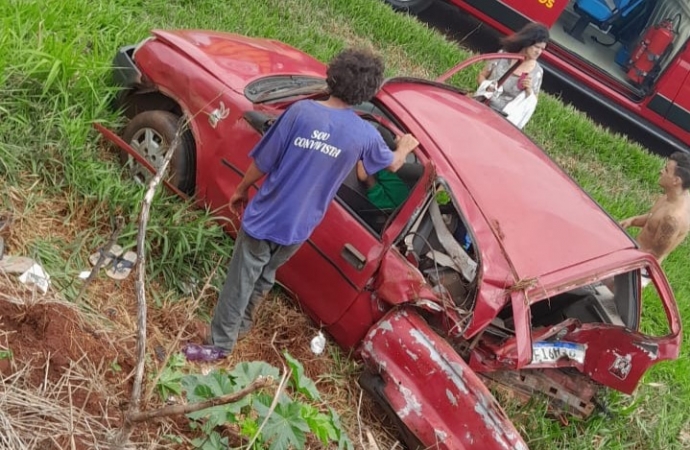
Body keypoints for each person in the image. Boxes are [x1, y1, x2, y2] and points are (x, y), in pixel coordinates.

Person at [204, 48, 420, 358]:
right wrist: (404, 146)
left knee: (242, 279)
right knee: (266, 274)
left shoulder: (301, 112)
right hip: (301, 225)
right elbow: (394, 165)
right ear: (366, 93)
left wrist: (240, 189)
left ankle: (217, 346)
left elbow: (264, 161)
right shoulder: (365, 134)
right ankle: (242, 326)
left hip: (267, 215)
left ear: (331, 76)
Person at [620, 152, 690, 286]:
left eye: (666, 170)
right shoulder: (673, 196)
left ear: (676, 180)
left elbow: (653, 255)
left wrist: (623, 261)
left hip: (638, 268)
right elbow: (653, 218)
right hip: (633, 254)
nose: (661, 171)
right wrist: (632, 221)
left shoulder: (673, 219)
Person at [475, 22, 550, 129]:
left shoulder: (537, 73)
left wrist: (528, 90)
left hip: (505, 121)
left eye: (542, 49)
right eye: (536, 47)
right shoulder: (503, 55)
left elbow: (532, 102)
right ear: (527, 43)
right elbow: (481, 76)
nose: (539, 52)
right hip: (482, 106)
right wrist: (487, 86)